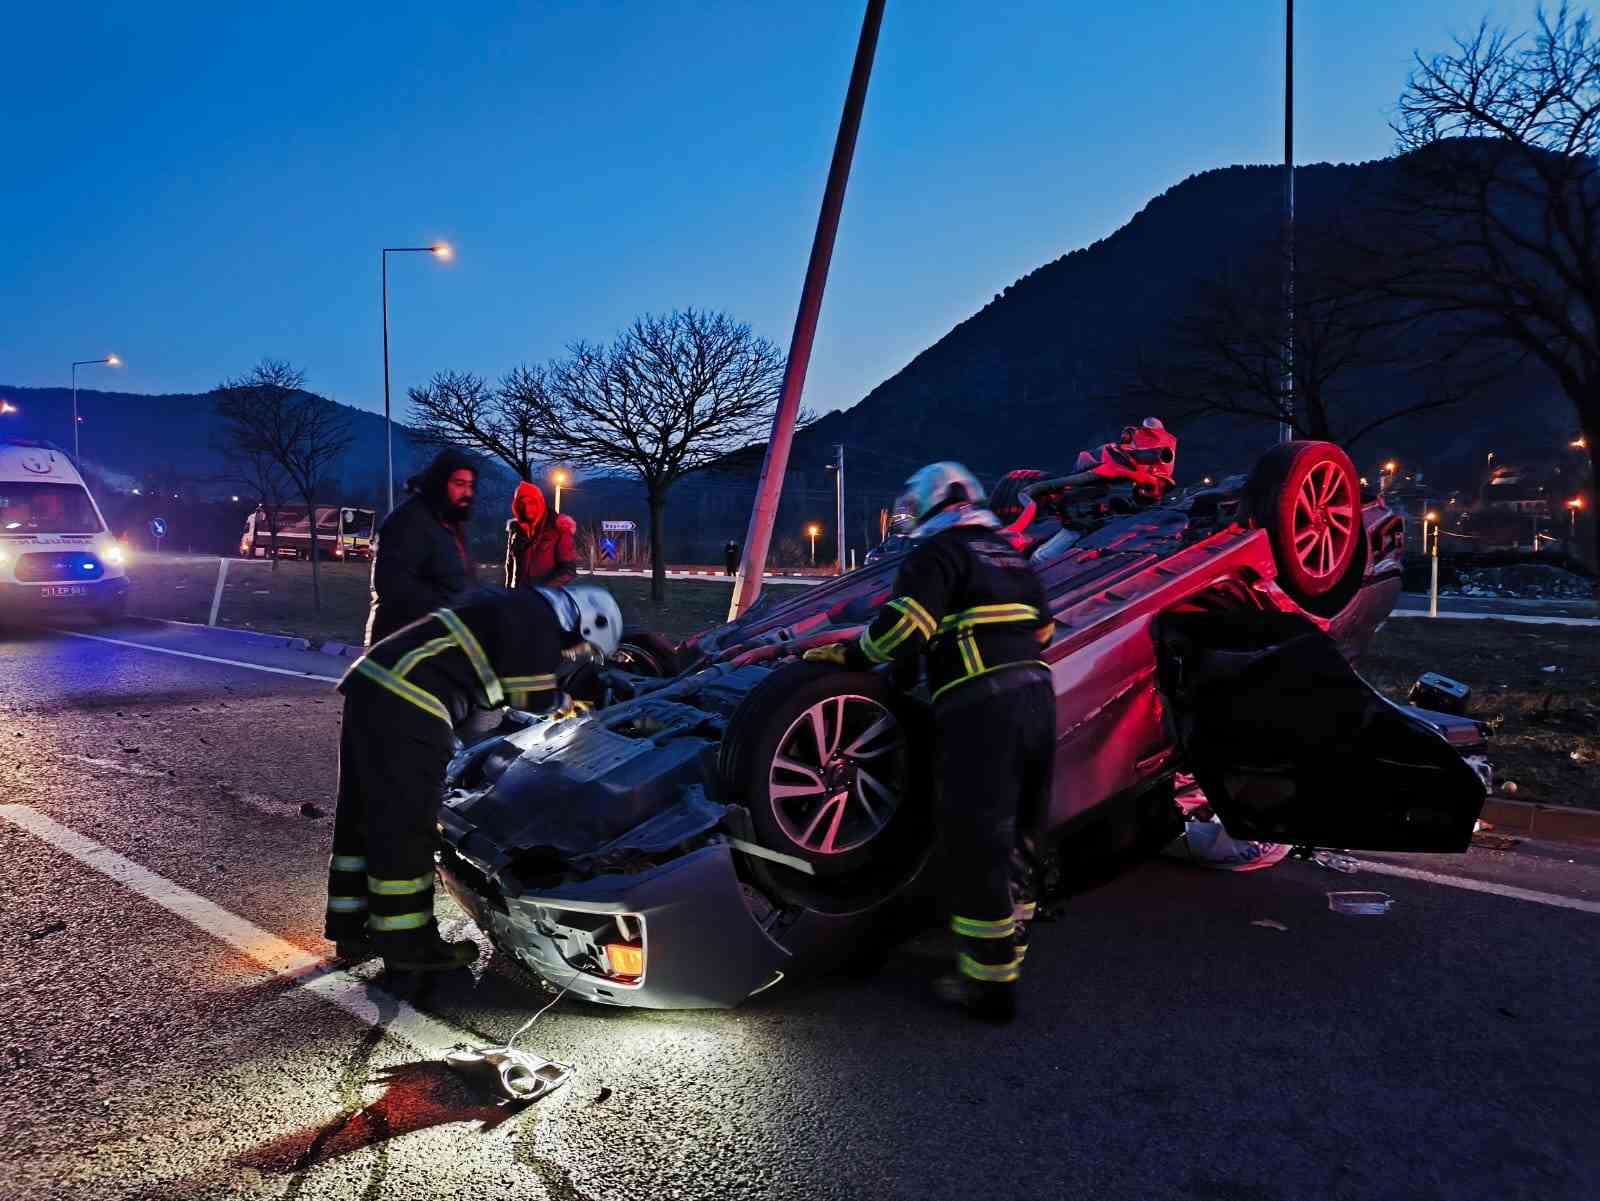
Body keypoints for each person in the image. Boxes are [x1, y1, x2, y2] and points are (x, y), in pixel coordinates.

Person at [804, 462, 1054, 1023]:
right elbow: (1043, 631)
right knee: (1022, 825)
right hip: (1038, 697)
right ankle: (1012, 941)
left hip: (980, 704)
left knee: (976, 835)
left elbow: (905, 626)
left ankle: (989, 986)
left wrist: (854, 657)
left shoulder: (936, 554)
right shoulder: (1009, 553)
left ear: (939, 503)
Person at [324, 582, 624, 971]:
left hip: (374, 684)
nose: (572, 655)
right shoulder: (537, 620)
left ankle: (351, 927)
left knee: (361, 811)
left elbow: (485, 694)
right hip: (412, 700)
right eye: (582, 647)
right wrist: (571, 706)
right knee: (409, 825)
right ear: (585, 622)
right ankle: (410, 945)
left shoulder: (513, 607)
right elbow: (528, 697)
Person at [365, 450, 478, 645]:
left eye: (470, 486)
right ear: (440, 483)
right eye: (459, 484)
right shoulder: (408, 522)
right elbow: (395, 589)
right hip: (402, 647)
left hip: (437, 644)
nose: (467, 493)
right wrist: (454, 610)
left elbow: (459, 580)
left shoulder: (451, 525)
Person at [504, 481, 578, 590]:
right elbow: (510, 566)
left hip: (548, 599)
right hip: (518, 598)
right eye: (522, 504)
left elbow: (568, 570)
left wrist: (543, 591)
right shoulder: (516, 530)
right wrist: (508, 593)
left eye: (531, 503)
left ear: (539, 502)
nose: (526, 509)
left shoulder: (559, 528)